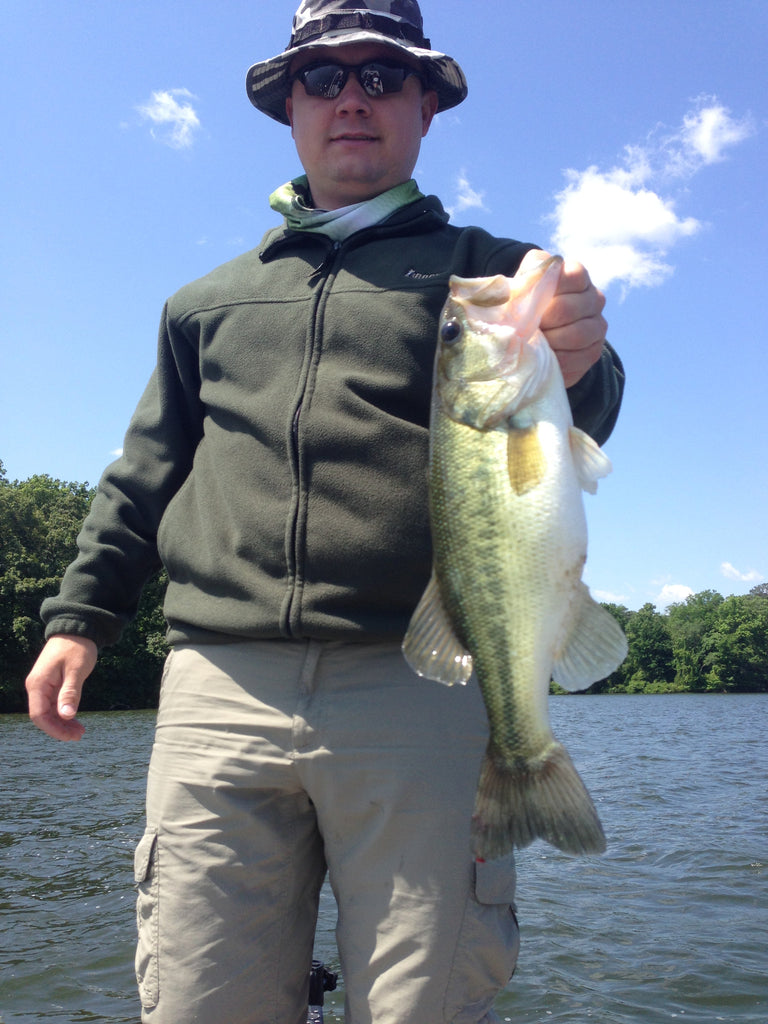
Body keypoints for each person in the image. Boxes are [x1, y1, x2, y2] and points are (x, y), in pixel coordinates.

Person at [25, 2, 624, 1022]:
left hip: (421, 679)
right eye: (325, 78)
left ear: (427, 106)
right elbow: (147, 468)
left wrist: (578, 357)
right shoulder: (202, 303)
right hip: (220, 686)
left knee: (425, 1001)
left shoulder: (490, 278)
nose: (354, 98)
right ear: (289, 107)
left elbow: (573, 423)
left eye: (384, 77)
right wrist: (82, 616)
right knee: (197, 998)